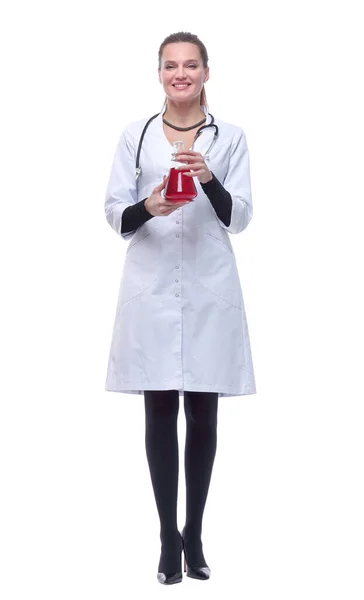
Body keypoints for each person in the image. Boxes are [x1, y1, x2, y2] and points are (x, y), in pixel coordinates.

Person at [104, 31, 256, 585]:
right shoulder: (136, 136)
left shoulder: (230, 137)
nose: (180, 74)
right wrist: (152, 203)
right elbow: (116, 216)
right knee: (160, 410)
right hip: (151, 287)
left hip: (210, 286)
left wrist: (207, 177)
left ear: (206, 73)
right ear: (160, 74)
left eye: (191, 65)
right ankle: (168, 537)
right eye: (171, 66)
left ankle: (195, 532)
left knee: (204, 413)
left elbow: (239, 217)